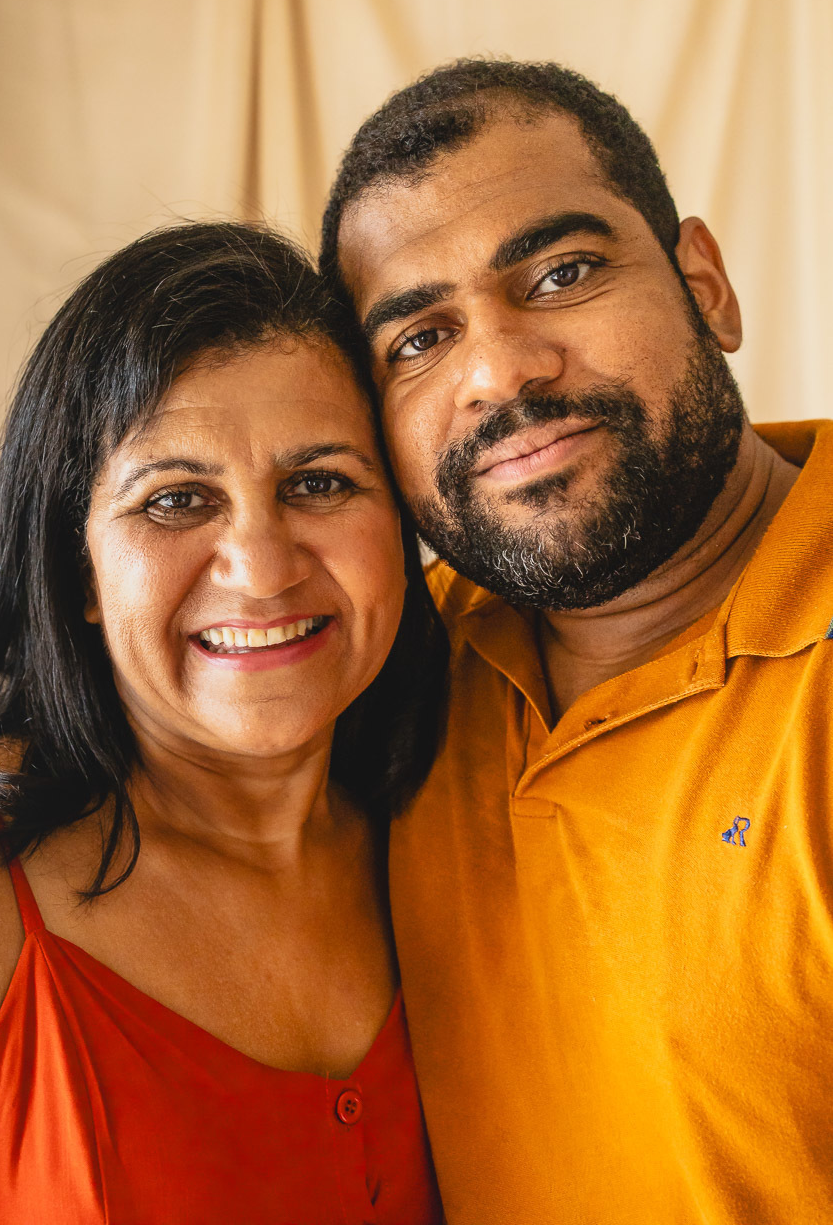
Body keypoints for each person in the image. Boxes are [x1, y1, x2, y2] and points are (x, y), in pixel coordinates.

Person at [319, 59, 833, 1224]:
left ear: (705, 285)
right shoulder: (385, 663)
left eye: (561, 272)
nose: (499, 369)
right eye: (417, 339)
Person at [0, 222, 447, 1223]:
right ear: (78, 571)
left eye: (319, 482)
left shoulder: (460, 833)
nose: (263, 564)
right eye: (176, 500)